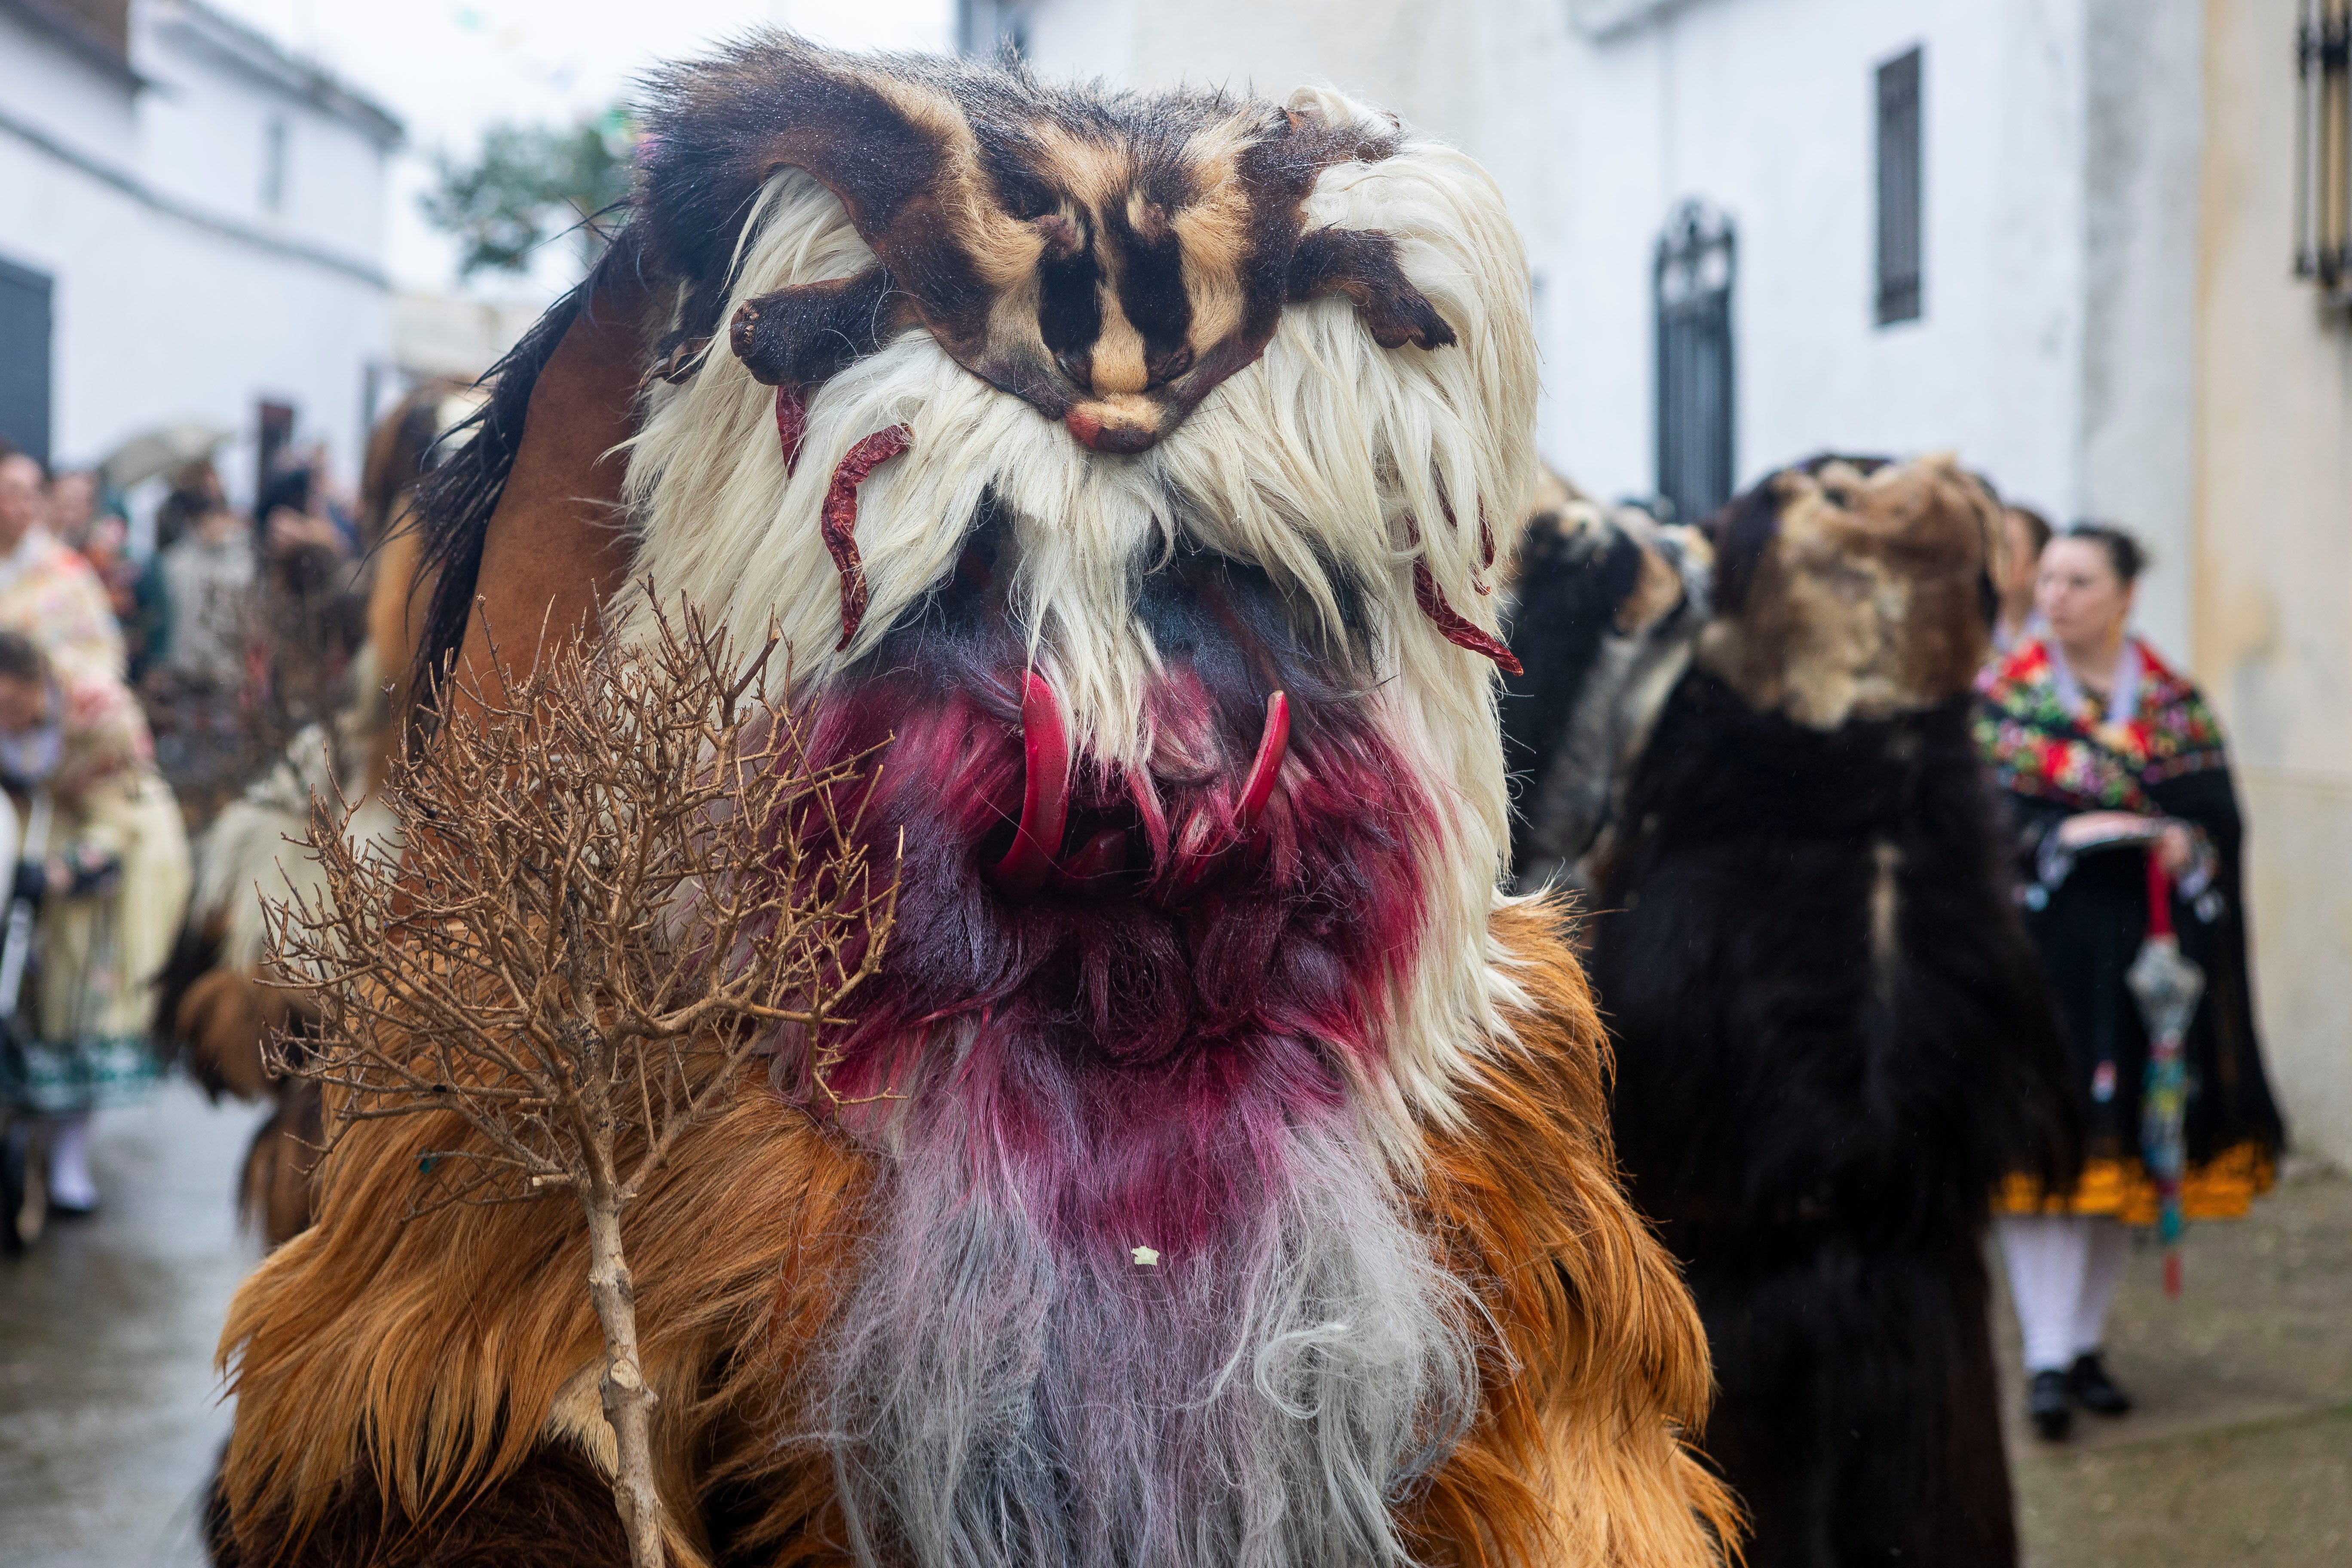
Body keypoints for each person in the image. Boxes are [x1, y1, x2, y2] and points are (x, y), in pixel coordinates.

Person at [1975, 523, 2286, 1441]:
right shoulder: (2004, 703)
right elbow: (1973, 826)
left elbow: (2220, 820)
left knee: (2127, 1158)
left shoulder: (2176, 707)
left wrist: (2189, 847)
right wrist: (2051, 838)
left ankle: (2082, 1347)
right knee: (2042, 1157)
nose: (2055, 596)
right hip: (2040, 967)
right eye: (2048, 579)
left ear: (2124, 594)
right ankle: (2043, 1357)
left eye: (2078, 580)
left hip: (2143, 969)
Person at [0, 632, 191, 1214]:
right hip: (45, 836)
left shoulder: (97, 714)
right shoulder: (21, 725)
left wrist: (59, 873)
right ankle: (40, 1148)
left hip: (118, 849)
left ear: (36, 686)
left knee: (83, 1000)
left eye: (12, 705)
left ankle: (67, 1165)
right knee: (37, 995)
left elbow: (121, 816)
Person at [0, 452, 128, 682]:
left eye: (31, 494)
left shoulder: (68, 569)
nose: (23, 505)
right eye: (13, 492)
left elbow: (103, 648)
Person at [1992, 503, 2052, 655]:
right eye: (1990, 547)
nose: (1994, 560)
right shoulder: (1975, 626)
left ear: (2039, 560)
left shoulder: (2059, 625)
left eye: (2007, 549)